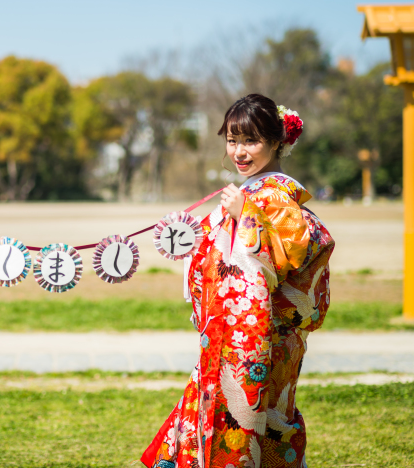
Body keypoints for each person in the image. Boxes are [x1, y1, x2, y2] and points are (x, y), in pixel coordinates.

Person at [141, 94, 335, 468]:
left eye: (251, 141)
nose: (239, 152)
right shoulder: (248, 192)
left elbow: (291, 254)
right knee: (224, 416)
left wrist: (245, 215)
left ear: (278, 141)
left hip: (264, 337)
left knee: (260, 421)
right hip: (229, 333)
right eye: (232, 141)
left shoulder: (275, 195)